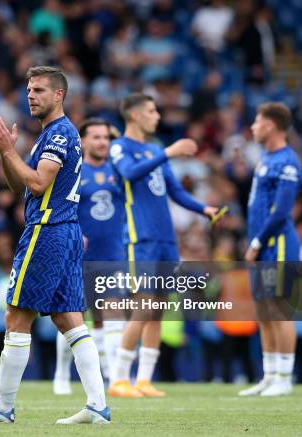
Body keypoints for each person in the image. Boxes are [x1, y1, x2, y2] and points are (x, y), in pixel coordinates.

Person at [0, 66, 110, 425]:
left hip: (47, 231)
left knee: (16, 316)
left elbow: (38, 184)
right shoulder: (50, 134)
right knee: (68, 318)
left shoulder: (58, 134)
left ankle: (2, 407)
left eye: (39, 90)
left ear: (59, 95)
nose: (31, 95)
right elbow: (18, 186)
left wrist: (10, 149)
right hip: (65, 231)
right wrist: (2, 151)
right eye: (29, 89)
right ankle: (98, 405)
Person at [107, 93, 219, 398]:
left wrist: (204, 209)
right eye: (152, 111)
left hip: (167, 241)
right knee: (142, 307)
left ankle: (143, 380)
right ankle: (119, 379)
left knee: (158, 310)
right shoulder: (119, 148)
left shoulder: (155, 150)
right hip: (140, 239)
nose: (157, 116)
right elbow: (129, 174)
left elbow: (176, 192)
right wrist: (168, 152)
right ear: (134, 115)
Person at [53, 118, 126, 395]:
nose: (102, 142)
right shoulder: (73, 171)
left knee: (112, 313)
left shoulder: (119, 170)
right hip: (78, 254)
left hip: (112, 253)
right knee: (74, 316)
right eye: (95, 136)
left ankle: (114, 376)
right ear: (82, 141)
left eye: (105, 137)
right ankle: (61, 375)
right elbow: (61, 204)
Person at [238, 102, 302, 397]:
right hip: (261, 245)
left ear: (271, 126)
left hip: (276, 245)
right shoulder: (266, 157)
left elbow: (281, 211)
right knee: (264, 310)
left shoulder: (287, 162)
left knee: (279, 310)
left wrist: (256, 242)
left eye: (257, 121)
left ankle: (285, 378)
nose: (253, 127)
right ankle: (270, 375)